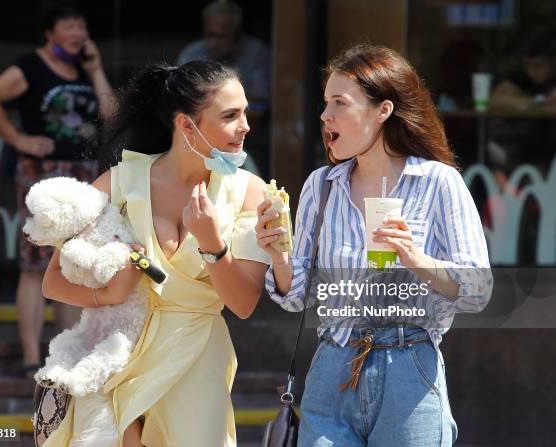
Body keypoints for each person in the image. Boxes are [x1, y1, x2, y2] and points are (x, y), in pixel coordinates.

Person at [256, 44, 493, 446]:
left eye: (339, 103)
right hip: (332, 365)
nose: (325, 115)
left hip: (409, 368)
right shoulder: (322, 186)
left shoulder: (438, 183)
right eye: (325, 102)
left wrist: (416, 258)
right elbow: (297, 296)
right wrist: (279, 252)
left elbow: (478, 290)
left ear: (383, 110)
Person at [40, 60, 270, 446]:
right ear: (185, 125)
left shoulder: (251, 191)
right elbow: (53, 280)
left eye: (245, 112)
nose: (245, 125)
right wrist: (108, 294)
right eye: (231, 115)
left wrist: (214, 245)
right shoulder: (118, 182)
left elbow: (244, 304)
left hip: (196, 359)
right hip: (119, 354)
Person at [0, 5, 116, 378]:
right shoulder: (30, 66)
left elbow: (112, 117)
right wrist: (18, 138)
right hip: (42, 173)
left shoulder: (85, 69)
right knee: (35, 261)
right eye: (68, 25)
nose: (77, 32)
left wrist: (97, 69)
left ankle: (67, 348)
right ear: (49, 33)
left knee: (74, 263)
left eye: (81, 24)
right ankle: (31, 354)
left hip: (82, 174)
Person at [177, 0, 271, 175]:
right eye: (210, 35)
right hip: (196, 142)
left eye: (221, 36)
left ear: (237, 35)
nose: (214, 42)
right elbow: (179, 103)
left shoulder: (258, 55)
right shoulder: (191, 54)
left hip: (252, 142)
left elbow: (259, 109)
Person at [491, 28, 556, 110]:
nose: (531, 72)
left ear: (554, 62)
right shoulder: (523, 76)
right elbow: (494, 99)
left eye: (538, 66)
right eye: (528, 66)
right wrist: (535, 102)